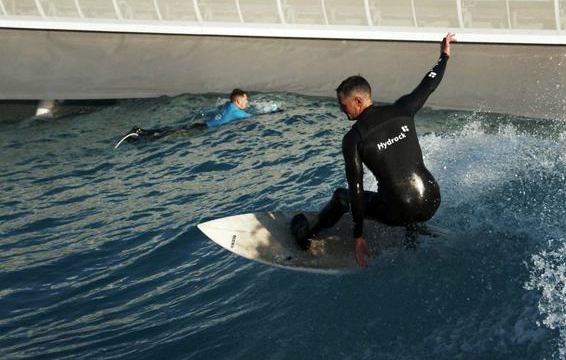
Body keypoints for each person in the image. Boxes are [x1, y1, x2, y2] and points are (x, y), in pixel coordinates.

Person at [291, 33, 456, 267]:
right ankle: (413, 233)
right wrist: (444, 55)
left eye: (343, 104)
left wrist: (358, 234)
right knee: (399, 182)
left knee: (341, 197)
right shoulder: (402, 109)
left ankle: (304, 236)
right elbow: (428, 85)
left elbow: (356, 191)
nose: (341, 109)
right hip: (431, 200)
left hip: (400, 211)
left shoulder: (354, 139)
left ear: (358, 102)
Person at [120, 89, 251, 144]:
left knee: (169, 129)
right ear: (238, 101)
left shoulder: (227, 105)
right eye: (245, 99)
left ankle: (139, 131)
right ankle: (138, 138)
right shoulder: (237, 113)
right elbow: (250, 118)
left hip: (200, 124)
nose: (247, 102)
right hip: (201, 129)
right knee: (166, 135)